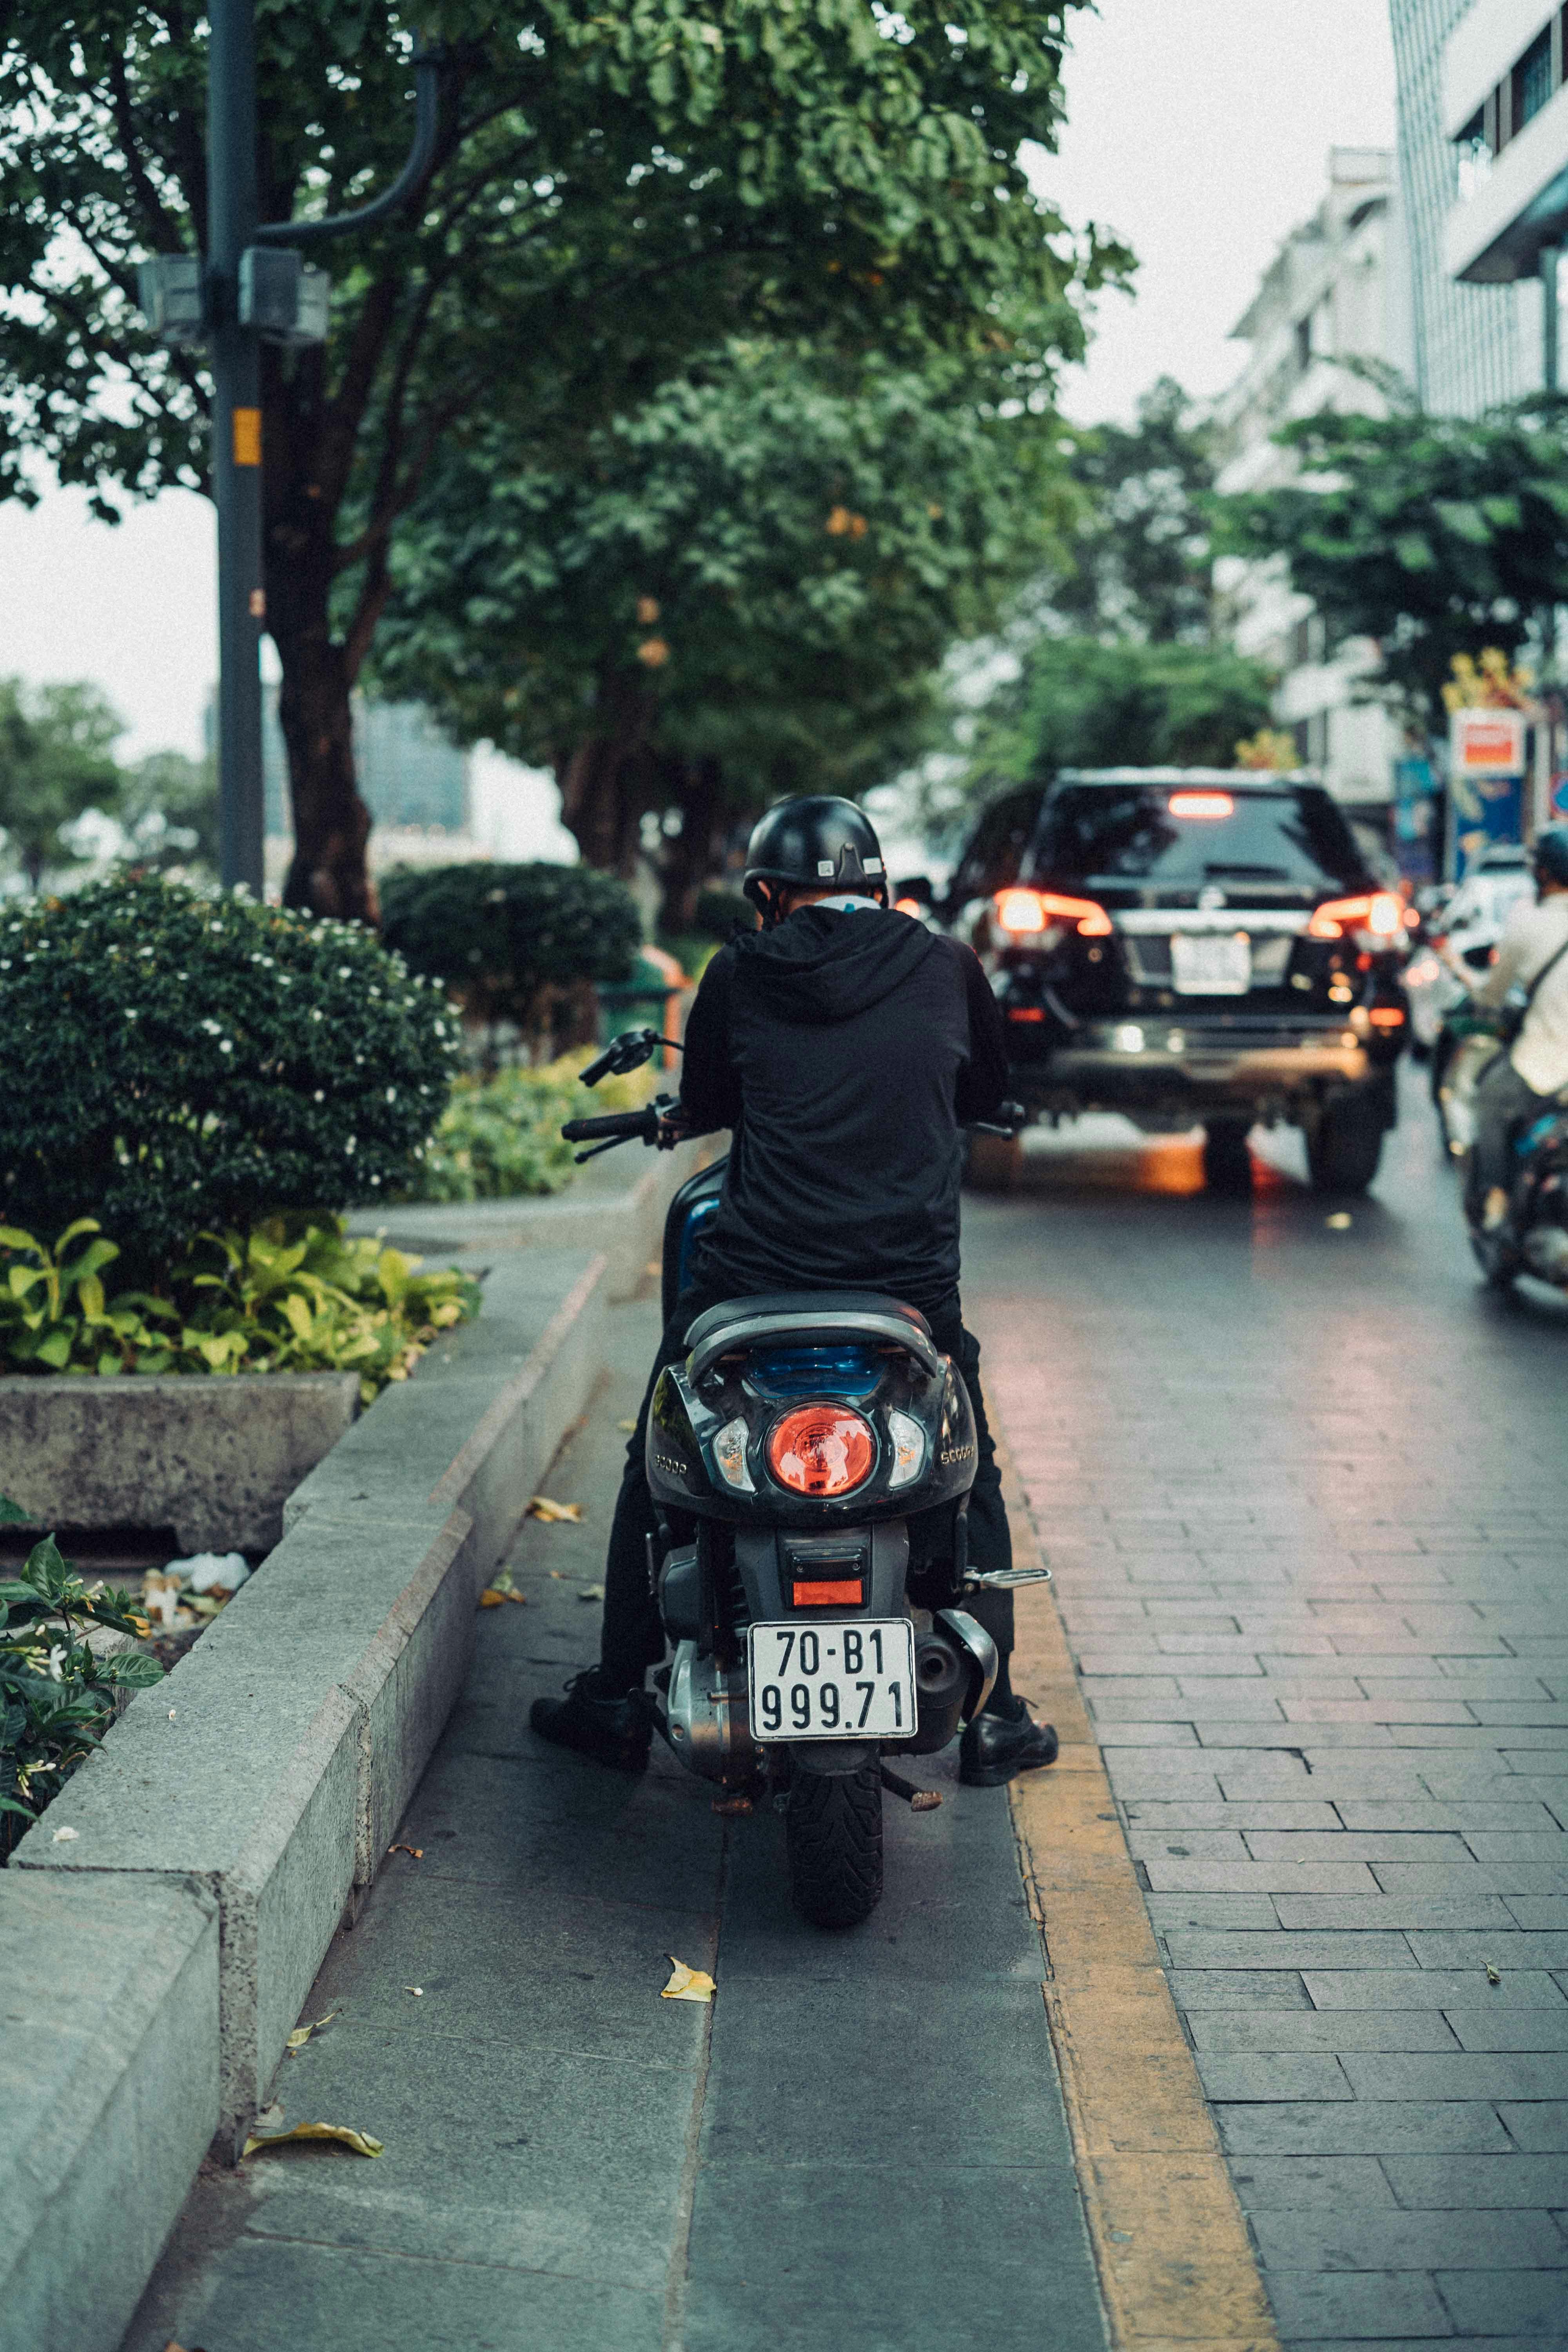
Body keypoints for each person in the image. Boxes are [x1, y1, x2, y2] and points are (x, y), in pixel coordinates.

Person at [532, 793, 1058, 1788]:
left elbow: (709, 1107)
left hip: (755, 1278)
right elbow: (988, 1095)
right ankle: (998, 1719)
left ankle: (612, 1697)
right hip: (906, 1292)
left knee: (659, 1456)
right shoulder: (947, 963)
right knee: (966, 1458)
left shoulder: (739, 970)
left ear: (769, 895)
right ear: (881, 889)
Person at [1465, 824, 1568, 1233]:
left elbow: (1490, 996)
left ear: (1542, 874)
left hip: (1543, 1066)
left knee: (1488, 1104)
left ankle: (1494, 1199)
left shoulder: (1526, 924)